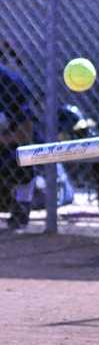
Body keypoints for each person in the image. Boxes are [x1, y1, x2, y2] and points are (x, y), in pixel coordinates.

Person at [0, 64, 35, 230]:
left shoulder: (9, 82)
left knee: (22, 157)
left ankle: (22, 202)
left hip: (8, 146)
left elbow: (26, 133)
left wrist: (3, 139)